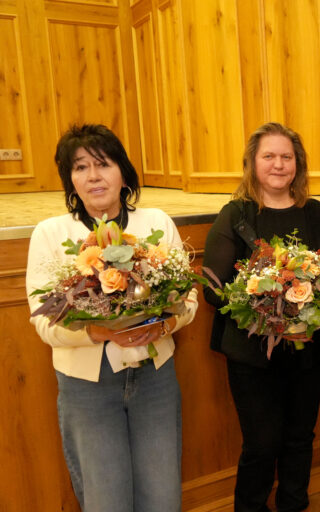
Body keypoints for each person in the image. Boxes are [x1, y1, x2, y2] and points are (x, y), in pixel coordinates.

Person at [26, 124, 199, 511]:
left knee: (162, 495)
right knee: (106, 498)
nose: (93, 176)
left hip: (155, 376)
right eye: (80, 167)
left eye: (103, 164)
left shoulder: (155, 223)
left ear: (123, 173)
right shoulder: (51, 233)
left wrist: (167, 324)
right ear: (70, 180)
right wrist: (97, 331)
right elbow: (42, 322)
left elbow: (188, 297)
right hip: (87, 386)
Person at [203, 122, 320, 512]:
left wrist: (308, 302)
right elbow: (212, 287)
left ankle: (294, 505)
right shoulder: (236, 214)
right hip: (251, 357)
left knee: (300, 438)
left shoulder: (314, 214)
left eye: (287, 156)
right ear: (252, 163)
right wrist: (261, 308)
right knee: (261, 445)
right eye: (269, 156)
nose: (279, 164)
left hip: (306, 352)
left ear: (297, 163)